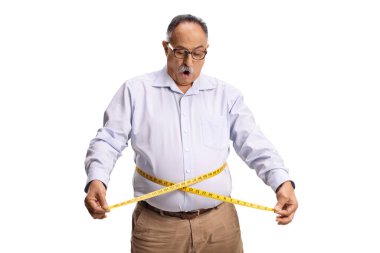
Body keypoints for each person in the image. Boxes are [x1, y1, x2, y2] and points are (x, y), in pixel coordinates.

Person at [84, 14, 298, 253]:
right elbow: (108, 140)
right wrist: (97, 179)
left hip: (220, 228)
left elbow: (253, 142)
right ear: (166, 48)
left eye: (198, 53)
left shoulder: (226, 95)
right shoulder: (135, 91)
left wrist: (282, 182)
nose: (189, 61)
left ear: (206, 51)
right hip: (157, 231)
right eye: (180, 51)